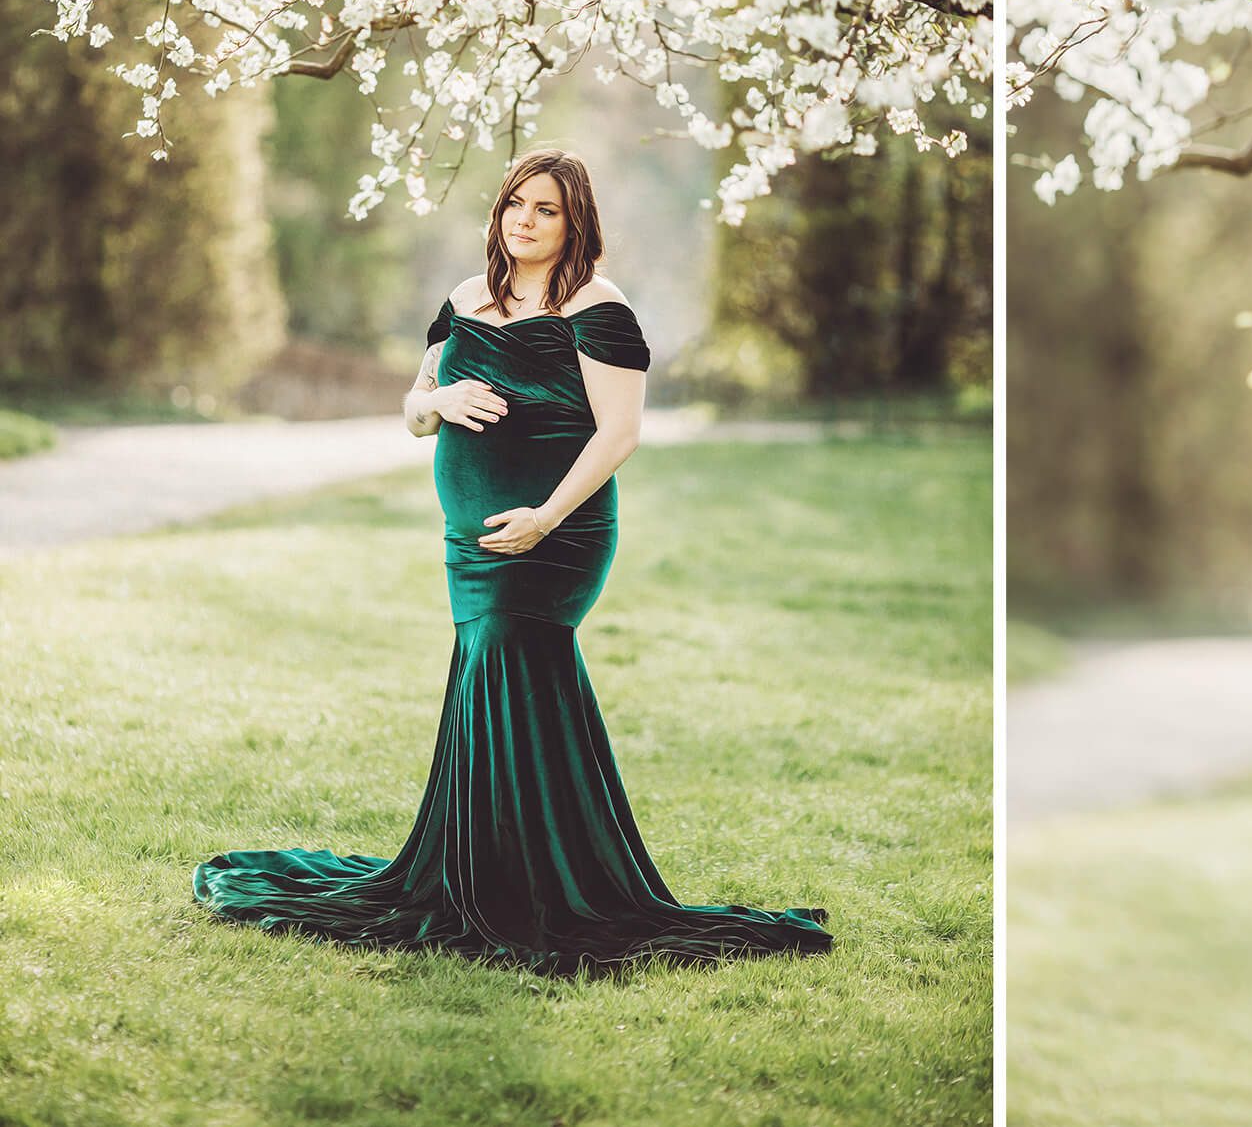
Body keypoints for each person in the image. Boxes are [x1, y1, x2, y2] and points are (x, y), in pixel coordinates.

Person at [193, 149, 832, 975]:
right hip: (470, 544)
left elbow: (621, 432)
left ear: (577, 224)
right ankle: (490, 873)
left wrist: (543, 517)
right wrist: (438, 399)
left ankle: (539, 891)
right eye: (515, 206)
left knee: (505, 661)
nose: (524, 221)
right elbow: (413, 409)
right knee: (492, 682)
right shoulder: (464, 299)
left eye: (547, 210)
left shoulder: (600, 308)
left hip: (555, 535)